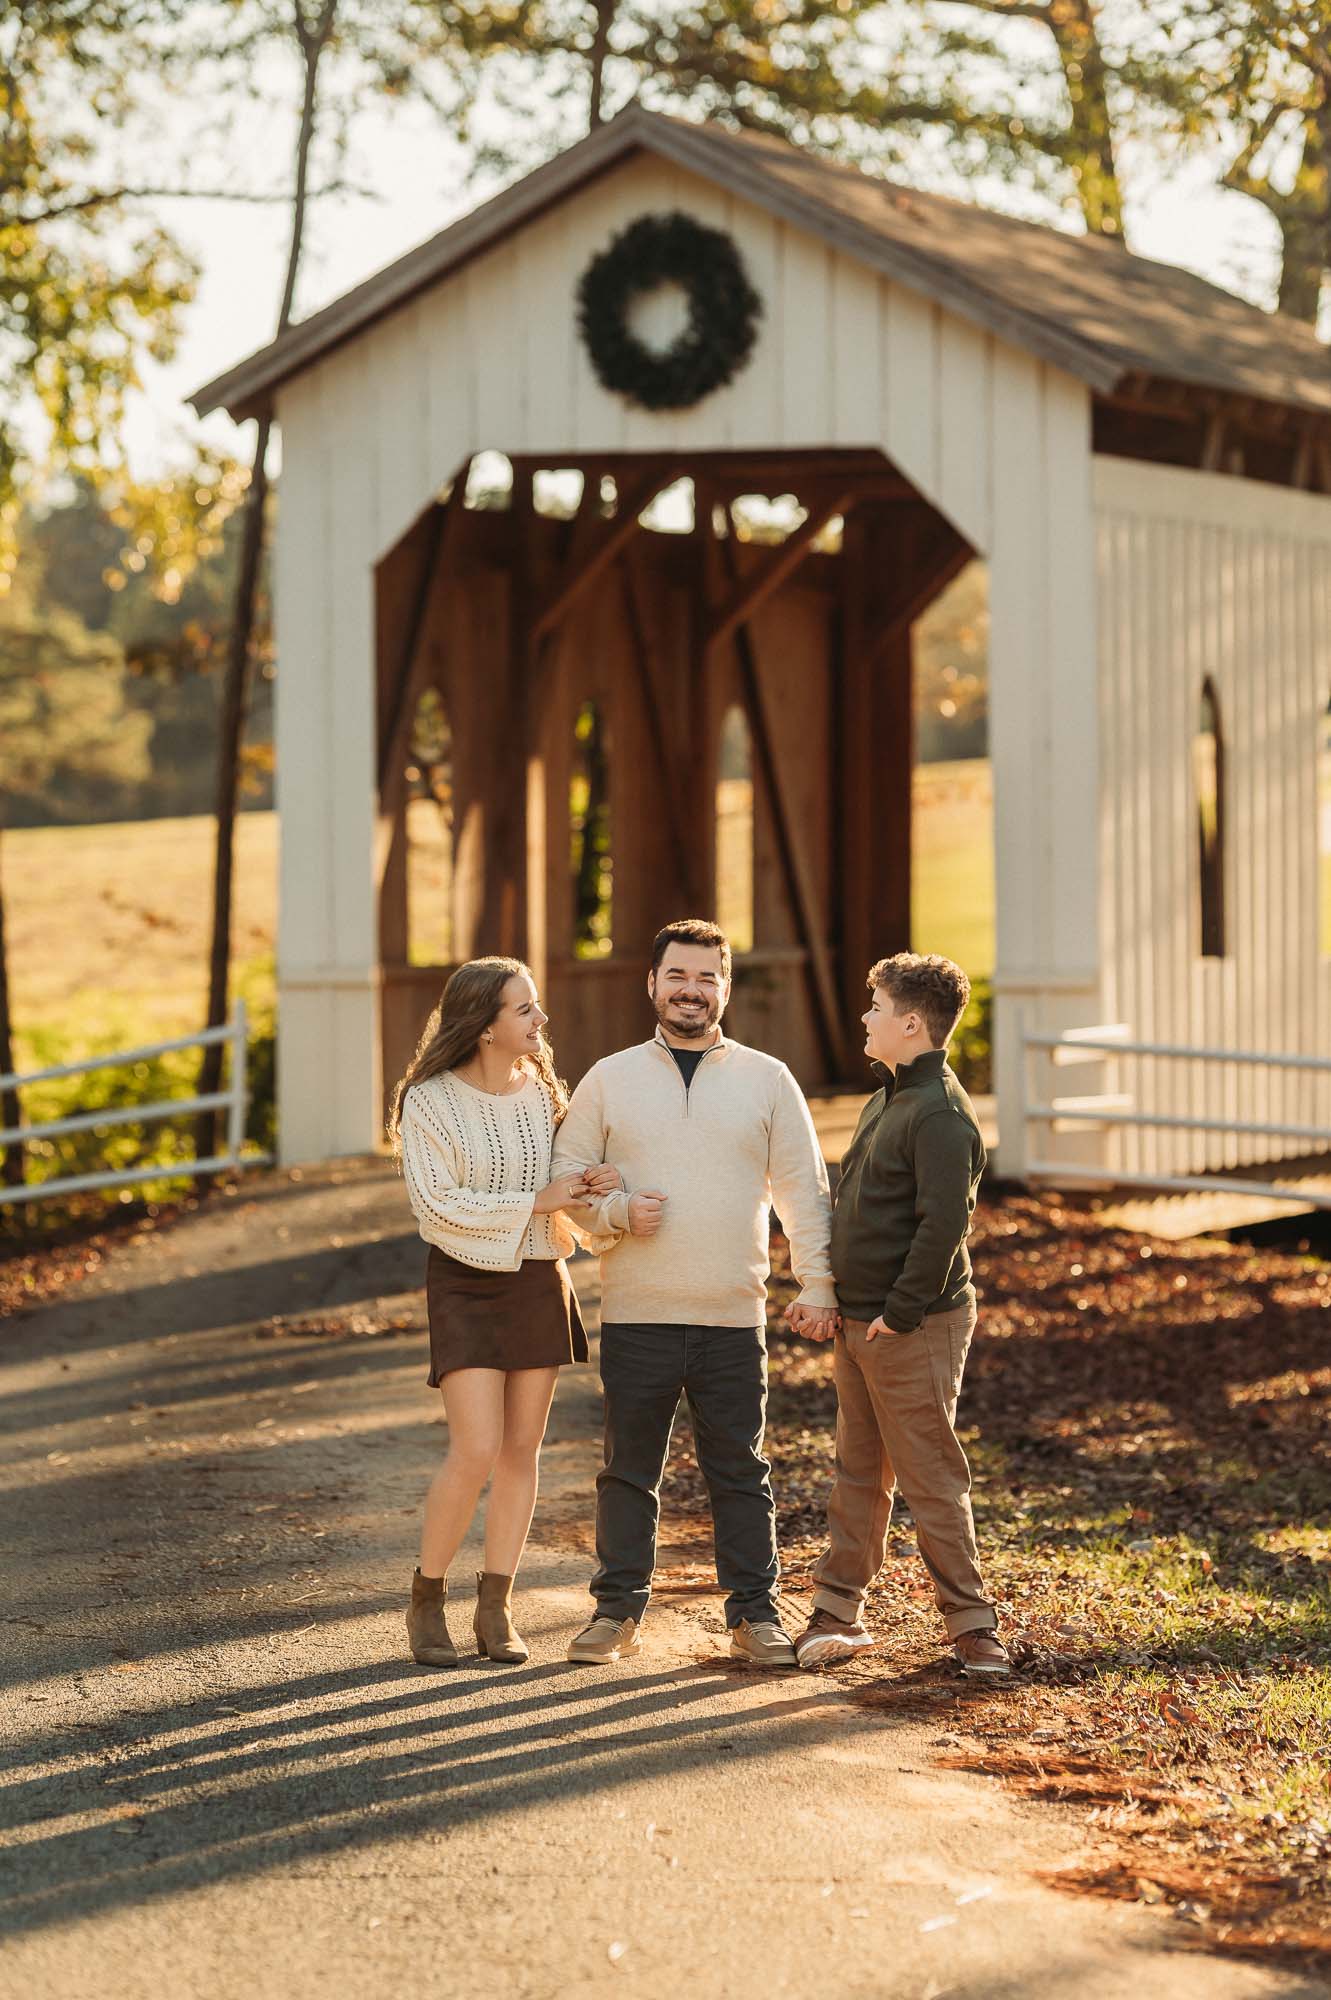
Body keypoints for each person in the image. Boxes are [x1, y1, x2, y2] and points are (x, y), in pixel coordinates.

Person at [552, 917, 839, 1669]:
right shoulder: (609, 1079)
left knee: (740, 1471)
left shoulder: (767, 1079)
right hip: (638, 1313)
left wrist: (818, 1280)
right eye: (677, 975)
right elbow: (566, 1180)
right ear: (651, 984)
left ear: (726, 987)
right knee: (627, 1470)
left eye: (706, 976)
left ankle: (753, 1615)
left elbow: (803, 1191)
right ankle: (616, 1612)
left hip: (729, 1315)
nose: (690, 989)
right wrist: (614, 1214)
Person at [391, 956, 622, 1669]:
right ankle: (427, 1599)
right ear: (484, 1024)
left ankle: (496, 1606)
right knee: (475, 1447)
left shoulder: (545, 1095)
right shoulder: (427, 1100)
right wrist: (537, 1202)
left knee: (522, 1450)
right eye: (524, 1010)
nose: (540, 1022)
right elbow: (435, 1206)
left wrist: (592, 1185)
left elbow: (568, 1194)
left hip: (536, 1277)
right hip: (463, 1282)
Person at [794, 953, 1011, 1677]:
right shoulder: (886, 1098)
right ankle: (836, 1610)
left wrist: (898, 1314)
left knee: (928, 1474)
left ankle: (973, 1627)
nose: (864, 1017)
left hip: (910, 1325)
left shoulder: (941, 1114)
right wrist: (831, 1297)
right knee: (859, 1470)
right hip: (860, 1322)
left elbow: (943, 1224)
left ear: (910, 1023)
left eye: (875, 1006)